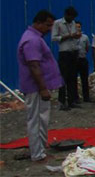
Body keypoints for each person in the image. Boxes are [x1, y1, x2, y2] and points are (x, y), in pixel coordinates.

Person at [17, 10, 64, 163]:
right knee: (37, 120)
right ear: (38, 23)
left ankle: (40, 150)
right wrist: (43, 88)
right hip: (36, 88)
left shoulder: (35, 38)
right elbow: (34, 65)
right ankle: (37, 154)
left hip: (38, 87)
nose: (50, 29)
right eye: (48, 25)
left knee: (42, 119)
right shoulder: (32, 40)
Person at [51, 6, 80, 111]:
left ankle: (72, 100)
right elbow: (54, 38)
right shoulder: (57, 23)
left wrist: (76, 36)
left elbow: (74, 35)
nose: (72, 19)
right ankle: (62, 102)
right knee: (63, 77)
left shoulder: (73, 23)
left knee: (73, 77)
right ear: (66, 15)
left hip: (73, 51)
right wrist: (68, 36)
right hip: (64, 53)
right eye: (71, 17)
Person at [74, 21, 93, 104]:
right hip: (74, 60)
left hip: (83, 59)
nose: (78, 28)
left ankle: (86, 97)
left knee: (84, 79)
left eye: (79, 27)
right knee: (73, 79)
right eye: (76, 27)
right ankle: (75, 97)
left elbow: (87, 48)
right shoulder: (72, 37)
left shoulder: (85, 37)